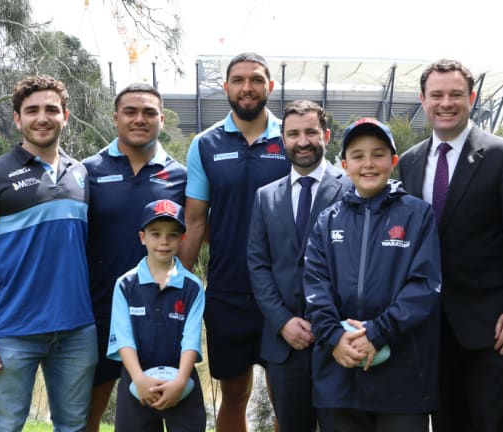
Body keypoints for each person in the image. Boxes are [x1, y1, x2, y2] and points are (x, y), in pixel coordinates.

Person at [398, 59, 503, 431]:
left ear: (472, 97)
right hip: (430, 327)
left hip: (493, 326)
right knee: (448, 423)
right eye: (437, 95)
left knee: (498, 423)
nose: (446, 103)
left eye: (455, 94)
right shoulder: (411, 162)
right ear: (423, 99)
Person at [0, 74, 96, 431]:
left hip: (77, 330)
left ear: (65, 115)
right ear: (18, 119)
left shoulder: (80, 174)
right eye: (31, 110)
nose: (42, 117)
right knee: (6, 426)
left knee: (74, 427)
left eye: (51, 109)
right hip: (11, 332)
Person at [304, 118, 442, 432]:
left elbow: (424, 286)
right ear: (344, 165)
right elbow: (315, 286)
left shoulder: (418, 214)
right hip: (339, 373)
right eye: (358, 155)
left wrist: (377, 333)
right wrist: (335, 337)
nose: (368, 164)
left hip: (403, 378)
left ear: (393, 162)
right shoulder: (327, 220)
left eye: (378, 154)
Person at [179, 52, 290, 431]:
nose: (247, 87)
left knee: (286, 398)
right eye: (239, 80)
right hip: (227, 290)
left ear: (269, 87)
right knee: (234, 394)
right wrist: (175, 284)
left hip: (286, 291)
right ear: (226, 87)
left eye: (256, 79)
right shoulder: (205, 144)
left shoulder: (291, 138)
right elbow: (194, 222)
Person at [83, 82, 187, 431]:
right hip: (98, 311)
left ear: (161, 118)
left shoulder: (180, 176)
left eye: (148, 112)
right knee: (86, 415)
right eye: (130, 111)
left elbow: (193, 233)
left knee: (155, 412)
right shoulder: (87, 171)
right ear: (116, 118)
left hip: (159, 313)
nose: (139, 119)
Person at [247, 100, 349, 432]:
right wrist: (282, 321)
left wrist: (332, 325)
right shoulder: (266, 197)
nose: (302, 141)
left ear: (326, 136)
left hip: (338, 342)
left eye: (310, 132)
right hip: (285, 344)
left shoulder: (350, 190)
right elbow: (258, 265)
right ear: (282, 138)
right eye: (293, 134)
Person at [107, 199, 206, 431]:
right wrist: (139, 380)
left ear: (183, 239)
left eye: (172, 235)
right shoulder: (125, 284)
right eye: (155, 233)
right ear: (143, 237)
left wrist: (180, 382)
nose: (164, 241)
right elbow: (123, 338)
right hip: (137, 381)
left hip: (182, 379)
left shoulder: (193, 287)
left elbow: (191, 340)